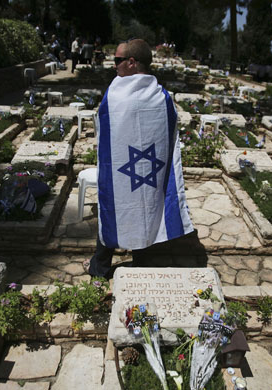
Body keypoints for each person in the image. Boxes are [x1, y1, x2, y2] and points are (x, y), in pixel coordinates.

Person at [82, 39, 193, 278]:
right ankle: (139, 264)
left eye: (118, 60)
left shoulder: (115, 94)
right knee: (145, 211)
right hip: (147, 171)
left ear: (131, 63)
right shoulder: (161, 96)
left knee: (114, 210)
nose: (115, 66)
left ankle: (100, 267)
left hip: (123, 171)